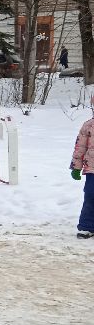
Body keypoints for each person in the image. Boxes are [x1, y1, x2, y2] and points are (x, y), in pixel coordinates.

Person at [70, 97, 94, 239]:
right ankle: (86, 226)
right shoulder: (88, 126)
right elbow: (80, 147)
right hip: (92, 169)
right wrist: (76, 167)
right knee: (91, 196)